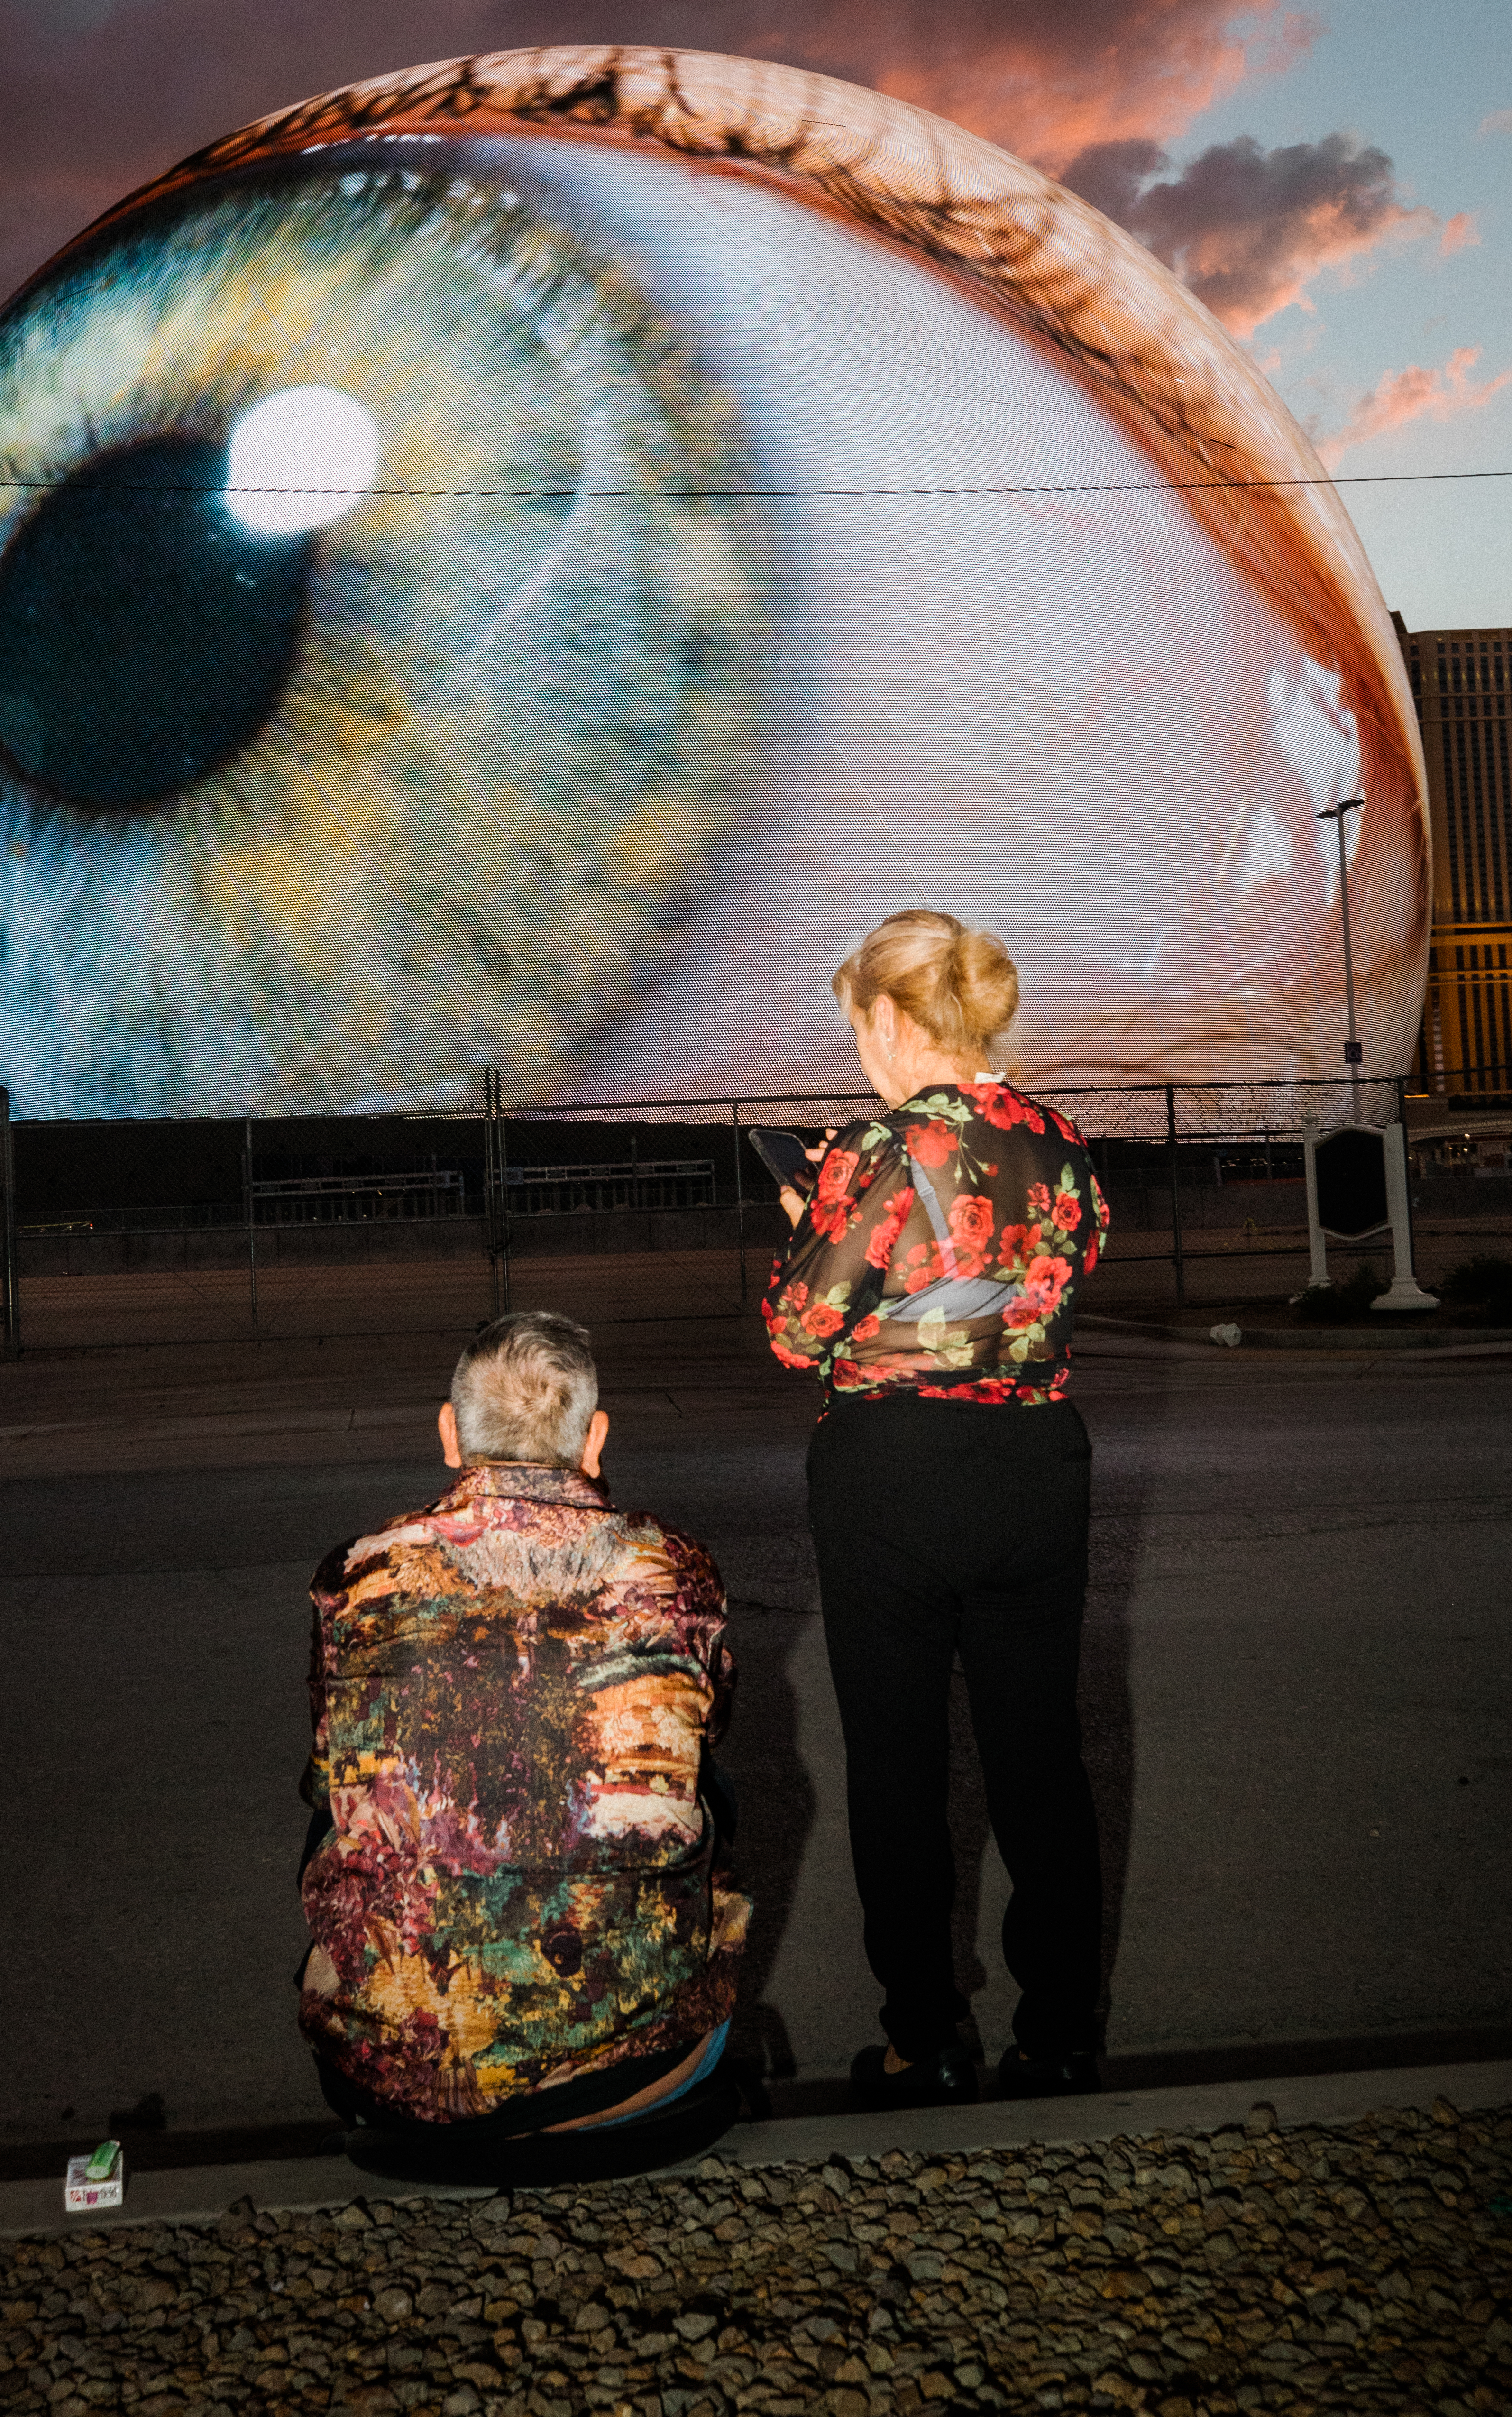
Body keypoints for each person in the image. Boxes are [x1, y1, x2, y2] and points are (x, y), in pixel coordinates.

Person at [763, 908, 1110, 2108]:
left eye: (860, 1019)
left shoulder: (877, 1147)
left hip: (893, 1474)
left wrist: (813, 1220)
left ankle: (929, 2033)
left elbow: (798, 1325)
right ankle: (1062, 2030)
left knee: (898, 1766)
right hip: (1033, 1464)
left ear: (895, 1019)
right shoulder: (1063, 1143)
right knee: (1038, 1759)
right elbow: (1036, 1289)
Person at [299, 1308, 747, 2148]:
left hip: (390, 2081)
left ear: (449, 1432)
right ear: (594, 1439)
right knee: (705, 1787)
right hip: (638, 2070)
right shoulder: (674, 1571)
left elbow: (328, 1771)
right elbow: (708, 1730)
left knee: (345, 1800)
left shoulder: (357, 1576)